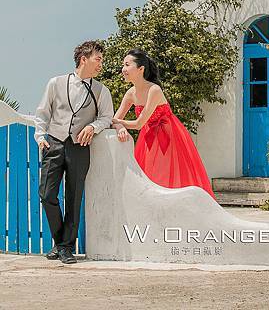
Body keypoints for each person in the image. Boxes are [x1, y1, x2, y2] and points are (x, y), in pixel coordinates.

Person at [34, 40, 114, 264]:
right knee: (47, 194)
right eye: (98, 59)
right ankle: (61, 244)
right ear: (84, 59)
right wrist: (40, 137)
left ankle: (66, 247)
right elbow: (42, 113)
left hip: (79, 147)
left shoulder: (101, 90)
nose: (101, 64)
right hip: (54, 143)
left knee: (74, 197)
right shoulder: (56, 83)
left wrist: (92, 126)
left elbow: (107, 117)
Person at [112, 49, 215, 199]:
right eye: (123, 65)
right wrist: (119, 126)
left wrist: (118, 123)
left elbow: (139, 123)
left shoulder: (154, 90)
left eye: (127, 65)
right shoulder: (130, 93)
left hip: (169, 135)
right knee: (149, 177)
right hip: (148, 137)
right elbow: (115, 120)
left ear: (141, 69)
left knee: (172, 176)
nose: (123, 69)